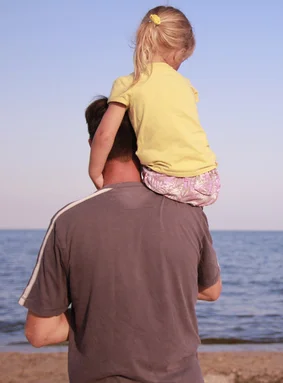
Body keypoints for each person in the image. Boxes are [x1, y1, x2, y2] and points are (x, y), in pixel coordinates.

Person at [20, 96, 222, 382]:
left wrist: (96, 308)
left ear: (94, 145)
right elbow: (211, 290)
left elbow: (40, 333)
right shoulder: (189, 213)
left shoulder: (68, 221)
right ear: (147, 142)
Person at [89, 5, 220, 207]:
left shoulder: (129, 83)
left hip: (164, 181)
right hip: (208, 182)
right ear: (179, 51)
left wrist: (95, 172)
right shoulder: (186, 85)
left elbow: (105, 135)